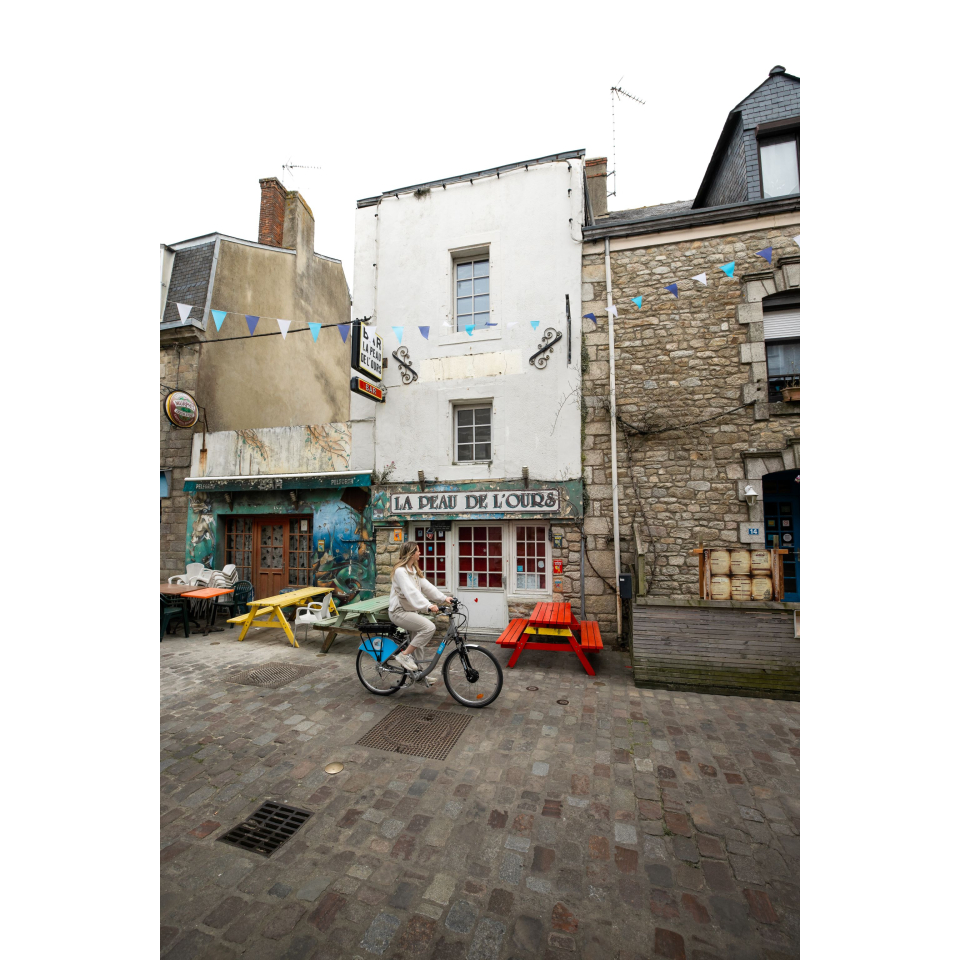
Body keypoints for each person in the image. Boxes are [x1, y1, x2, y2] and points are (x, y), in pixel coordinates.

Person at [388, 541, 453, 686]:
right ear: (411, 553)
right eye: (417, 551)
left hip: (409, 611)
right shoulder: (401, 572)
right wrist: (428, 606)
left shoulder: (414, 571)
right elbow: (411, 593)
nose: (420, 553)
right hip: (398, 612)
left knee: (419, 643)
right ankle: (404, 656)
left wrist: (444, 598)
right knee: (428, 627)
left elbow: (428, 587)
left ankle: (419, 675)